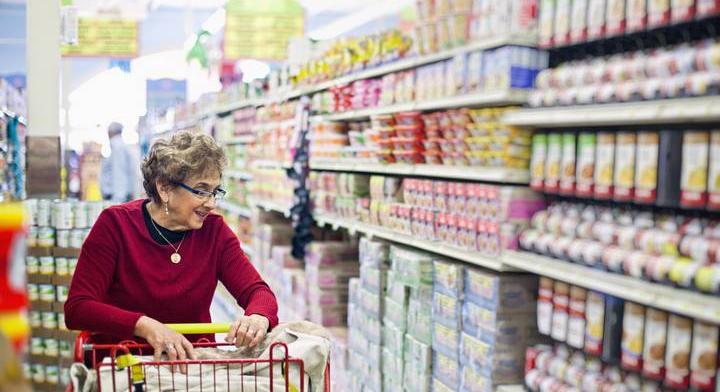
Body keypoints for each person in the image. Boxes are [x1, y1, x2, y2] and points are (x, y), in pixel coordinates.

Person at [65, 131, 278, 364]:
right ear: (164, 189)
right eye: (201, 190)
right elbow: (78, 308)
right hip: (124, 365)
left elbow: (258, 291)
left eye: (215, 191)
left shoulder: (214, 231)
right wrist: (145, 326)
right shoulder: (115, 225)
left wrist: (258, 316)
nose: (211, 203)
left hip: (190, 369)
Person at [101, 122, 137, 203]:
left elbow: (119, 173)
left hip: (118, 197)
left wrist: (118, 200)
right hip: (119, 195)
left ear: (111, 132)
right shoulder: (119, 146)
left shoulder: (117, 147)